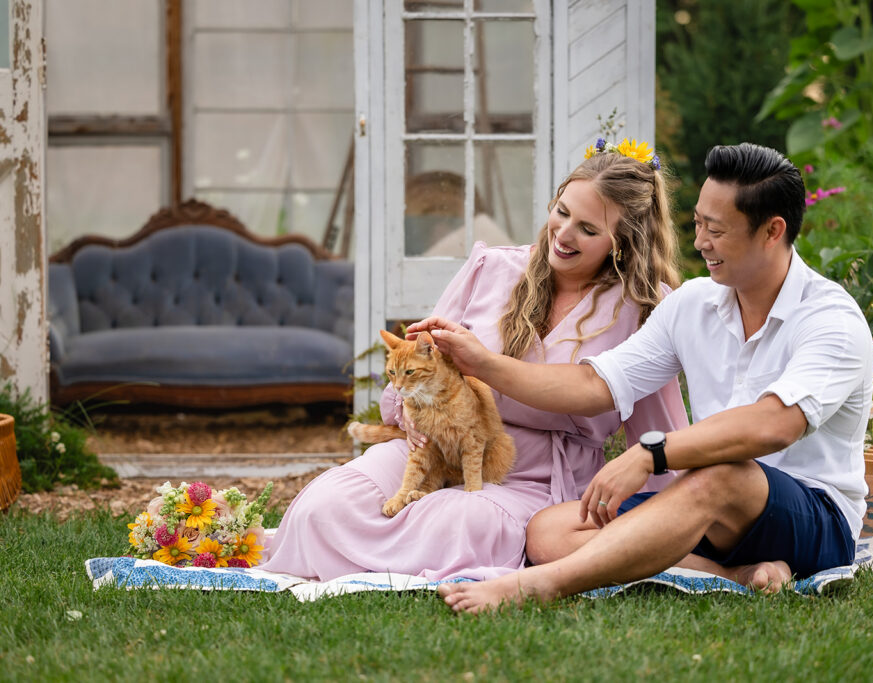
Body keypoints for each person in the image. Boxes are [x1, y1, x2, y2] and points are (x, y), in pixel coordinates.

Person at [415, 142, 873, 612]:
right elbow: (596, 385)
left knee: (724, 473)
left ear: (772, 231)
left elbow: (774, 425)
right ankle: (732, 575)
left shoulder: (831, 320)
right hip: (707, 506)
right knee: (550, 530)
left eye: (716, 230)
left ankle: (540, 585)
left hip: (812, 518)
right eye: (697, 223)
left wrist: (651, 453)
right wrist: (482, 363)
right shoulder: (692, 303)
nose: (700, 242)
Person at [259, 143, 689, 582]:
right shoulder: (491, 268)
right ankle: (379, 548)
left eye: (588, 229)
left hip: (532, 475)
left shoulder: (643, 308)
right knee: (323, 506)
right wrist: (412, 419)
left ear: (622, 242)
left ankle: (378, 554)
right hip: (432, 447)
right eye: (561, 212)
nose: (563, 234)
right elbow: (412, 372)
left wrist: (679, 516)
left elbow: (660, 433)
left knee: (461, 523)